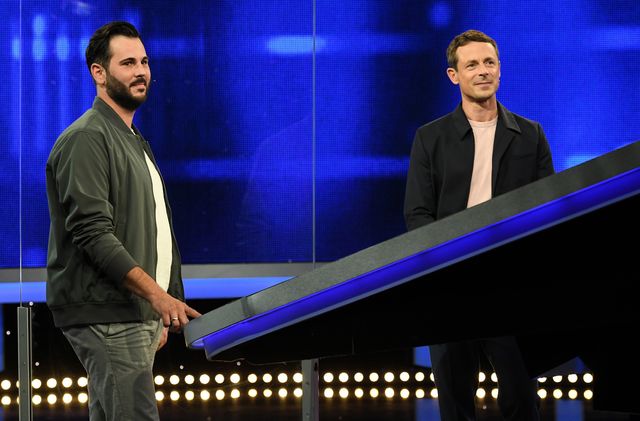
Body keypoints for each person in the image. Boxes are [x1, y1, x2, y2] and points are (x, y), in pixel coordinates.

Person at [45, 21, 201, 421]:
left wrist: (162, 303)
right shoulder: (87, 138)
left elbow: (157, 231)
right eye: (128, 63)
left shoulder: (132, 139)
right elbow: (93, 234)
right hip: (109, 312)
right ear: (99, 73)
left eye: (144, 62)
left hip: (133, 311)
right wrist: (157, 297)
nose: (141, 71)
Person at [404, 29, 554, 421]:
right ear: (454, 76)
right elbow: (418, 214)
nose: (483, 71)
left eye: (489, 62)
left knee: (521, 399)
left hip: (509, 285)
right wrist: (440, 268)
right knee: (455, 403)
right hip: (450, 285)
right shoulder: (430, 138)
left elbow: (547, 210)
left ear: (500, 69)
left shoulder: (530, 135)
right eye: (472, 65)